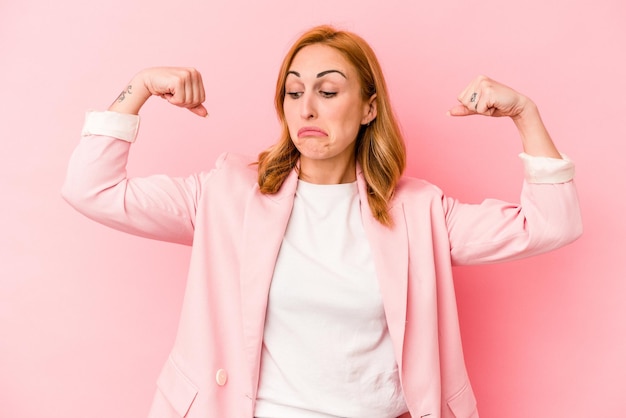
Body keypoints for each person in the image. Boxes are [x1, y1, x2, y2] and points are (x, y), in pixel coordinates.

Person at [62, 25, 582, 418]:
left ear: (368, 109)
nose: (307, 107)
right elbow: (92, 189)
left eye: (329, 92)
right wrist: (139, 89)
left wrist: (525, 114)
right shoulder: (226, 193)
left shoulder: (419, 211)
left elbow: (549, 224)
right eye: (294, 92)